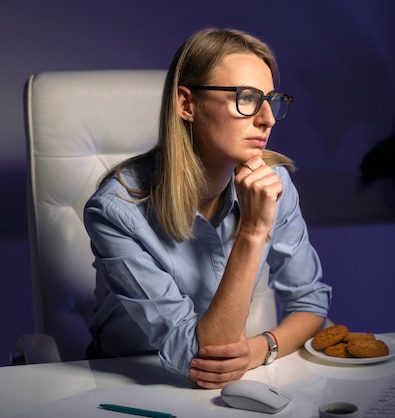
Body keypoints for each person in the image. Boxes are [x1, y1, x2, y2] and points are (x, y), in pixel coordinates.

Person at [83, 27, 332, 389]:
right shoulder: (117, 210)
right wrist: (253, 231)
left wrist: (260, 349)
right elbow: (201, 358)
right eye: (246, 97)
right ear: (187, 104)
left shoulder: (273, 182)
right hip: (127, 384)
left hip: (231, 381)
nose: (268, 118)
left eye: (272, 100)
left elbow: (311, 303)